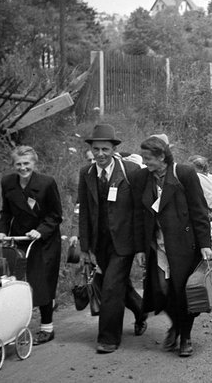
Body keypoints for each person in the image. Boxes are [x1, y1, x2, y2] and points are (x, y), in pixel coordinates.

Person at [131, 135, 212, 357]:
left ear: (161, 156)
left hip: (184, 245)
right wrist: (140, 248)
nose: (145, 162)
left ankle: (185, 336)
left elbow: (199, 209)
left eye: (149, 158)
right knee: (161, 291)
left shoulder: (184, 174)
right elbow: (139, 215)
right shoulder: (142, 178)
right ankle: (176, 324)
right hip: (157, 246)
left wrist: (205, 244)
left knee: (183, 292)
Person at [77, 124, 146, 354]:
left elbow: (139, 211)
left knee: (110, 288)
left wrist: (140, 247)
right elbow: (85, 211)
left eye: (105, 149)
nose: (100, 154)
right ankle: (140, 310)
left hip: (124, 243)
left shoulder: (131, 171)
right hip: (100, 243)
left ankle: (108, 338)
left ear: (114, 148)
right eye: (96, 149)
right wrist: (85, 246)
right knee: (118, 287)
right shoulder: (85, 173)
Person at [0, 145, 63, 345]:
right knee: (16, 281)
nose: (23, 168)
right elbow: (6, 212)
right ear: (13, 165)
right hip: (20, 238)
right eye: (18, 164)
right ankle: (13, 324)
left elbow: (56, 215)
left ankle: (47, 327)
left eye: (27, 164)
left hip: (44, 239)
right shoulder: (7, 182)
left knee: (42, 280)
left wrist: (40, 231)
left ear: (34, 163)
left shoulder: (47, 183)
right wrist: (2, 232)